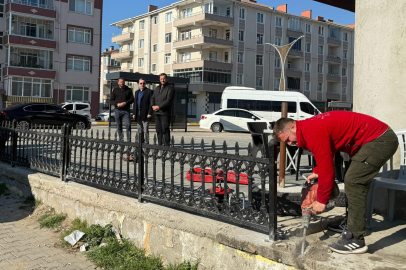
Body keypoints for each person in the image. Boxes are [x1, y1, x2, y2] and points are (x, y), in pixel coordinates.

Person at [273, 111, 398, 254]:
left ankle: (356, 239)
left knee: (353, 181)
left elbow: (328, 170)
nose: (290, 144)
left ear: (292, 127)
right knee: (352, 180)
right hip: (371, 141)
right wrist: (318, 170)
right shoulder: (309, 128)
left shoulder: (311, 131)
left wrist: (321, 200)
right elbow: (328, 152)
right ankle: (351, 223)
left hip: (380, 140)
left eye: (288, 139)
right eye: (286, 143)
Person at [151, 73, 175, 146]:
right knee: (158, 129)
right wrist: (153, 106)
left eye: (164, 79)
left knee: (165, 129)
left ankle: (166, 145)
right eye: (161, 79)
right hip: (157, 112)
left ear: (167, 79)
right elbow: (153, 98)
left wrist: (159, 107)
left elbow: (168, 101)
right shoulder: (157, 88)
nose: (162, 80)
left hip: (165, 112)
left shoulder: (170, 88)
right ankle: (160, 144)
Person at [110, 77, 134, 142]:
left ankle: (129, 140)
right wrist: (117, 104)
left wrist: (125, 102)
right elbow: (111, 100)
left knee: (128, 125)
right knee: (119, 126)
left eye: (123, 82)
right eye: (121, 82)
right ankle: (121, 139)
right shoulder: (115, 90)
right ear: (118, 83)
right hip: (117, 110)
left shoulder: (128, 90)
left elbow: (132, 99)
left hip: (126, 110)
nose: (122, 83)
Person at [132, 78, 153, 144]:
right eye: (141, 83)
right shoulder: (136, 92)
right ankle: (140, 142)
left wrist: (150, 112)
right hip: (138, 113)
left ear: (145, 84)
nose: (142, 84)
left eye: (143, 83)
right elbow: (135, 103)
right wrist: (134, 113)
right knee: (139, 129)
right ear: (138, 84)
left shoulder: (149, 91)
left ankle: (146, 142)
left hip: (145, 113)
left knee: (145, 129)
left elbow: (151, 103)